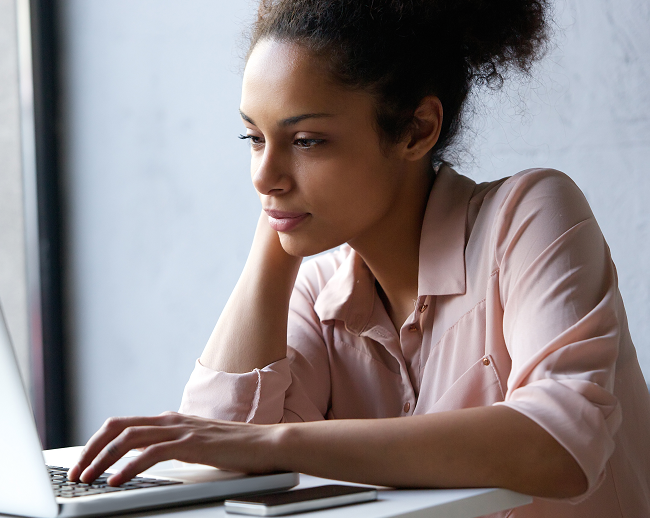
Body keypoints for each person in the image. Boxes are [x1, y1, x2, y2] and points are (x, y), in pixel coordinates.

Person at [68, 1, 650, 516]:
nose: (263, 177)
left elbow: (562, 447)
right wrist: (277, 237)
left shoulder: (529, 215)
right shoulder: (317, 288)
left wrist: (280, 446)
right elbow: (215, 462)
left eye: (306, 141)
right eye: (253, 138)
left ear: (417, 130)